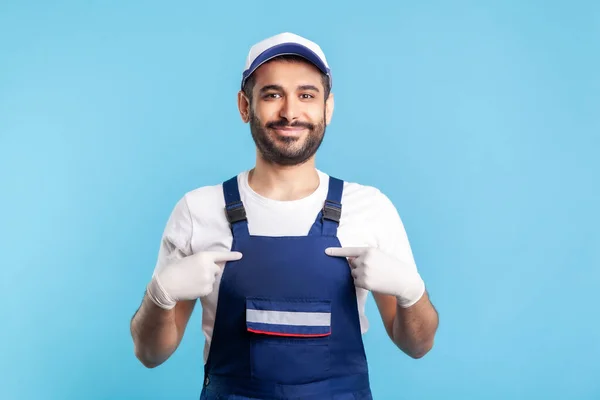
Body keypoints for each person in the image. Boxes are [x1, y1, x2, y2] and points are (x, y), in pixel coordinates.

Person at [130, 32, 439, 400]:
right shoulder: (198, 211)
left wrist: (411, 291)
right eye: (272, 94)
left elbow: (418, 345)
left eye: (306, 95)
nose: (290, 112)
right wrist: (160, 295)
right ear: (245, 106)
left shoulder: (370, 209)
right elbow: (150, 354)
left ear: (328, 108)